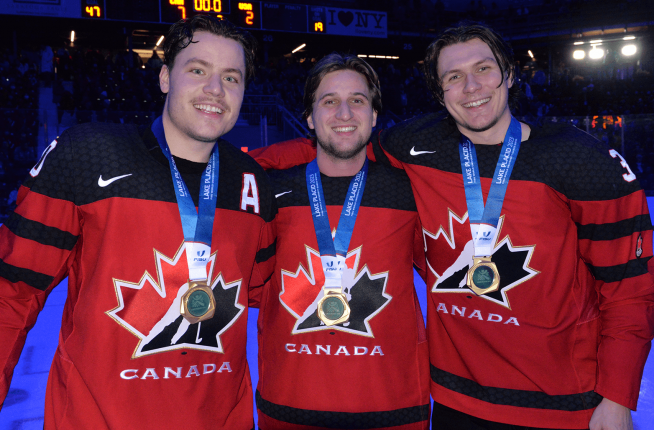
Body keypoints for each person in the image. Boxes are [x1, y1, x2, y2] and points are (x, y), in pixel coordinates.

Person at [250, 24, 654, 430]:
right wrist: (242, 170)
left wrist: (617, 395)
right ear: (440, 92)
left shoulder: (580, 160)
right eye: (453, 77)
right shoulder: (418, 147)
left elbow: (630, 288)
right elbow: (341, 143)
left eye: (484, 69)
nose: (471, 86)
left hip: (563, 403)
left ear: (510, 74)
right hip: (455, 400)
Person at [0, 15, 275, 430]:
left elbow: (263, 290)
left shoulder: (253, 182)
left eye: (232, 78)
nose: (215, 90)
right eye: (197, 70)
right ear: (164, 78)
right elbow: (8, 294)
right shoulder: (89, 156)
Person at [251, 54, 431, 429]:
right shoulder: (270, 191)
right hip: (289, 407)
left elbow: (444, 274)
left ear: (375, 116)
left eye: (358, 100)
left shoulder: (409, 190)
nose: (345, 113)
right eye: (329, 101)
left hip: (391, 409)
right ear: (310, 118)